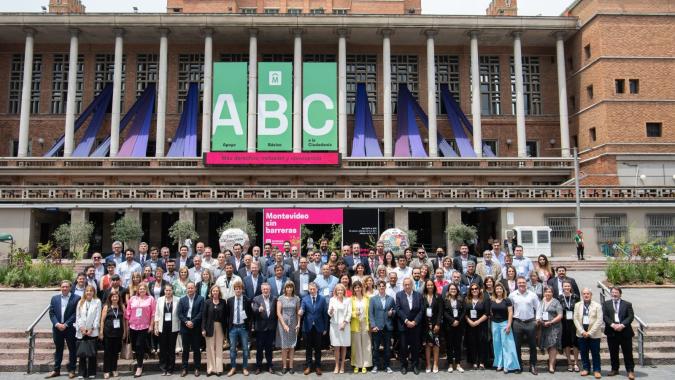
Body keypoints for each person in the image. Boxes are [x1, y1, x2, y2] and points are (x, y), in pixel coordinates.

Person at [47, 280, 81, 379]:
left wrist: (66, 324)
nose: (65, 288)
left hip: (70, 328)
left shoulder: (76, 298)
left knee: (72, 350)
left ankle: (72, 370)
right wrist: (57, 324)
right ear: (60, 287)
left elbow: (76, 313)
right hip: (57, 328)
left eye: (67, 287)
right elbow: (51, 313)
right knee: (58, 349)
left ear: (70, 287)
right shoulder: (54, 298)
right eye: (63, 286)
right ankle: (56, 370)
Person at [602, 287, 635, 380]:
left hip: (625, 332)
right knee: (613, 352)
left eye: (616, 292)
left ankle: (630, 371)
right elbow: (604, 316)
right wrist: (612, 325)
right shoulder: (606, 304)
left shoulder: (627, 304)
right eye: (612, 292)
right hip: (612, 332)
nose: (614, 294)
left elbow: (630, 316)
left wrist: (622, 325)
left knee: (628, 352)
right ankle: (614, 369)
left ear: (620, 294)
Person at [509, 276, 540, 375]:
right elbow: (509, 309)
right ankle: (519, 366)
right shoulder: (512, 295)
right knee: (517, 346)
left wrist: (537, 319)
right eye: (520, 282)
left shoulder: (532, 295)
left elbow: (538, 307)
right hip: (517, 322)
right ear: (517, 283)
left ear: (526, 284)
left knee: (533, 345)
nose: (522, 284)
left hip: (530, 322)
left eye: (523, 282)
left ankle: (533, 366)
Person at [125, 282, 156, 377]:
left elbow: (153, 313)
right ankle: (145, 353)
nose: (141, 290)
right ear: (137, 290)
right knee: (135, 346)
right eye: (140, 289)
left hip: (144, 326)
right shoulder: (133, 299)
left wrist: (151, 325)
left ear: (146, 290)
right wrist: (127, 327)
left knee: (139, 345)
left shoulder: (150, 299)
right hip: (133, 326)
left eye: (143, 289)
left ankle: (139, 367)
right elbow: (128, 313)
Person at [490, 282, 519, 373]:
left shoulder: (507, 300)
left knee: (507, 345)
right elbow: (491, 312)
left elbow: (510, 312)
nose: (498, 290)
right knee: (497, 345)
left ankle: (508, 365)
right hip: (495, 324)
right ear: (495, 290)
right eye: (497, 289)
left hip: (504, 323)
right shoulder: (492, 300)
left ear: (503, 290)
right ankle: (499, 364)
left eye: (500, 289)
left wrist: (509, 325)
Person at [396, 277, 424, 375]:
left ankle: (415, 365)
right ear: (403, 286)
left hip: (415, 326)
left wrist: (415, 322)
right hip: (404, 325)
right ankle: (404, 365)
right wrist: (407, 321)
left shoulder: (419, 295)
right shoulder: (399, 295)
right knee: (403, 347)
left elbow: (421, 310)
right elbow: (398, 309)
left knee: (415, 347)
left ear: (412, 285)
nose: (407, 286)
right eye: (405, 285)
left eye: (409, 284)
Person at [301, 282, 329, 376]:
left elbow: (325, 314)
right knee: (308, 348)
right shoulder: (304, 299)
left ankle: (318, 366)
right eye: (310, 289)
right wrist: (301, 311)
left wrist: (325, 328)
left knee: (318, 348)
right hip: (307, 327)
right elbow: (302, 308)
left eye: (314, 289)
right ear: (308, 290)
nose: (312, 291)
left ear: (317, 289)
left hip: (319, 327)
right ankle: (308, 366)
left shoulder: (322, 299)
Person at [574, 288, 603, 379]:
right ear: (582, 295)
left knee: (595, 353)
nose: (586, 295)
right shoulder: (577, 305)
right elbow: (575, 319)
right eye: (584, 294)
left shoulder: (597, 306)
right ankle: (586, 368)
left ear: (591, 295)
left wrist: (589, 333)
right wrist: (582, 331)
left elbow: (599, 320)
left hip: (594, 334)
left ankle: (597, 370)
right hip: (581, 333)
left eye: (588, 294)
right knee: (583, 352)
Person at [177, 282, 204, 377]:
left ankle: (197, 368)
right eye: (188, 288)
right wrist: (186, 322)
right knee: (185, 350)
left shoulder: (200, 299)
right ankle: (184, 368)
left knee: (196, 349)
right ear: (186, 289)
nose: (190, 290)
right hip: (185, 327)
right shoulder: (182, 299)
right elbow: (179, 314)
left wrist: (193, 322)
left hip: (195, 327)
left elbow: (201, 313)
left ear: (195, 289)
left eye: (192, 288)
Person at [75, 285, 101, 379]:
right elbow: (78, 316)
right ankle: (81, 373)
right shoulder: (80, 302)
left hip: (92, 331)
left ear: (94, 292)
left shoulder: (97, 302)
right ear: (84, 292)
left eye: (91, 291)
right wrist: (81, 328)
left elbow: (97, 317)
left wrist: (92, 329)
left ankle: (91, 372)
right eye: (87, 291)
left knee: (92, 353)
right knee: (82, 353)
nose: (89, 292)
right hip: (81, 331)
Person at [369, 280, 395, 374]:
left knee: (387, 348)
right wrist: (373, 325)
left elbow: (395, 310)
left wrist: (392, 313)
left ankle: (387, 365)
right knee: (375, 347)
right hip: (377, 327)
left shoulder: (391, 299)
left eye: (383, 286)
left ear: (385, 287)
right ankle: (375, 365)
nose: (381, 287)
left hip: (387, 327)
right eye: (380, 286)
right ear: (377, 288)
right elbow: (371, 314)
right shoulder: (373, 299)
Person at [251, 282, 278, 374]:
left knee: (269, 348)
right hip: (260, 328)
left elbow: (276, 313)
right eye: (264, 289)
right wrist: (259, 310)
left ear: (270, 289)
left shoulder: (274, 298)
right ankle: (258, 367)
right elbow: (253, 309)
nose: (265, 290)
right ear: (261, 290)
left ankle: (270, 365)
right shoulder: (256, 299)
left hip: (271, 328)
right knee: (259, 349)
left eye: (267, 289)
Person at [154, 284, 179, 376]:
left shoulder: (177, 300)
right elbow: (157, 314)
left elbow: (179, 314)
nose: (168, 292)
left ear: (172, 291)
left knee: (171, 349)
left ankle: (170, 369)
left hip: (173, 327)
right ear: (164, 291)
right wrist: (156, 327)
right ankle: (163, 368)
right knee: (163, 348)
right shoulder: (160, 300)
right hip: (162, 327)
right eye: (166, 290)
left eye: (170, 290)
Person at [537, 286, 564, 373]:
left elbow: (560, 315)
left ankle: (551, 365)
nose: (548, 293)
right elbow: (538, 312)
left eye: (550, 292)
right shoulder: (541, 302)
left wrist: (551, 322)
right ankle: (552, 360)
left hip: (554, 327)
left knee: (553, 345)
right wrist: (539, 319)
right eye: (546, 292)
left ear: (552, 293)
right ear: (544, 293)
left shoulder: (556, 302)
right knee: (548, 345)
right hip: (544, 326)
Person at [276, 281, 301, 374]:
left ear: (293, 288)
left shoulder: (296, 298)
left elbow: (298, 312)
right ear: (285, 288)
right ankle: (284, 366)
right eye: (287, 287)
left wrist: (298, 323)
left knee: (291, 346)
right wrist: (284, 325)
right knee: (284, 346)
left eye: (291, 287)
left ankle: (291, 366)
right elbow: (278, 313)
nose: (289, 289)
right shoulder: (280, 298)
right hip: (283, 323)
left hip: (293, 323)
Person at [100, 289, 125, 379]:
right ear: (110, 298)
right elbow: (102, 321)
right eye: (113, 296)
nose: (115, 298)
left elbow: (124, 320)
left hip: (118, 333)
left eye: (116, 296)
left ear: (119, 298)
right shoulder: (106, 307)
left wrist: (125, 332)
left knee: (115, 353)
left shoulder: (121, 306)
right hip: (108, 333)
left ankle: (114, 369)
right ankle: (106, 370)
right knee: (107, 353)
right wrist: (101, 332)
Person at [202, 284, 226, 376]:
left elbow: (226, 316)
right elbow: (204, 316)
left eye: (217, 291)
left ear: (219, 292)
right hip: (209, 327)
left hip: (220, 326)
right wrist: (203, 329)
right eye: (213, 291)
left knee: (219, 347)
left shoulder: (223, 302)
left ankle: (219, 369)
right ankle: (210, 369)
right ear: (211, 292)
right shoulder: (207, 302)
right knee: (210, 348)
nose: (215, 292)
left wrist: (226, 331)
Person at [465, 283, 490, 370]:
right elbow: (464, 313)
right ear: (470, 290)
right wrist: (470, 322)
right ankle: (474, 362)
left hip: (481, 325)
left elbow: (487, 313)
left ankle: (482, 362)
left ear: (479, 290)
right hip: (470, 325)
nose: (474, 290)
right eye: (472, 289)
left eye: (476, 288)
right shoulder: (467, 299)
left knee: (482, 343)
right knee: (472, 343)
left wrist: (478, 322)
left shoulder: (484, 299)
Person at [348, 281, 371, 373]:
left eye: (359, 287)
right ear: (353, 289)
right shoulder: (351, 299)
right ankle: (357, 364)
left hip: (365, 324)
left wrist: (370, 323)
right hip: (355, 324)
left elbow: (370, 311)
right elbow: (348, 312)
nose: (357, 289)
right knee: (356, 345)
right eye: (355, 287)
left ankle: (365, 364)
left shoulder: (367, 298)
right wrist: (354, 314)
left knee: (366, 345)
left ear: (362, 288)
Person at [328, 283, 351, 374]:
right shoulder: (332, 300)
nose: (340, 291)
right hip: (334, 326)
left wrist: (344, 323)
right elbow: (329, 313)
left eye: (341, 290)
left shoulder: (348, 300)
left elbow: (349, 313)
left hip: (345, 325)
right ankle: (337, 365)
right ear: (336, 291)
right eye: (338, 290)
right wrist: (331, 311)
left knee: (344, 346)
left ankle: (342, 366)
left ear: (344, 291)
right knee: (336, 346)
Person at [442, 283, 465, 373]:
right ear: (448, 290)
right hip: (449, 325)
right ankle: (450, 364)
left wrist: (458, 321)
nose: (453, 290)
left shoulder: (461, 299)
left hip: (459, 325)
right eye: (451, 289)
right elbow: (444, 312)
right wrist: (452, 321)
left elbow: (464, 311)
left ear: (457, 290)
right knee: (449, 345)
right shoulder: (445, 299)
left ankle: (458, 364)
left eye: (454, 289)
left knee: (458, 345)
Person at [421, 279, 442, 373]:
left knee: (436, 345)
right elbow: (421, 311)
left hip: (435, 325)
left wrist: (437, 324)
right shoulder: (423, 297)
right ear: (426, 286)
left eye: (431, 285)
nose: (429, 286)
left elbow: (440, 312)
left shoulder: (438, 296)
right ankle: (428, 365)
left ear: (434, 286)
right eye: (428, 285)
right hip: (425, 325)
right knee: (428, 345)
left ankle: (435, 364)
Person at [559, 281, 581, 372]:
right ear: (562, 287)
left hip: (574, 323)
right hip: (564, 323)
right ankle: (569, 362)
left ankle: (576, 362)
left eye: (568, 286)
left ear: (570, 287)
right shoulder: (559, 298)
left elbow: (579, 310)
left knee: (575, 343)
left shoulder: (576, 297)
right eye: (565, 286)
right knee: (566, 343)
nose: (567, 287)